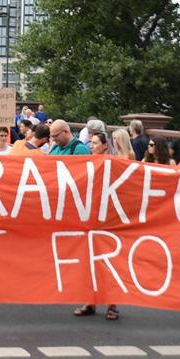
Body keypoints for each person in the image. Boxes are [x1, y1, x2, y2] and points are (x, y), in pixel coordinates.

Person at [74, 131, 119, 321]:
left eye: (94, 143)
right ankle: (89, 302)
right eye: (90, 143)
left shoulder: (113, 165)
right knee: (87, 262)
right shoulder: (85, 165)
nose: (91, 146)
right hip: (89, 218)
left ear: (105, 146)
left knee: (108, 263)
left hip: (107, 220)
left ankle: (112, 305)